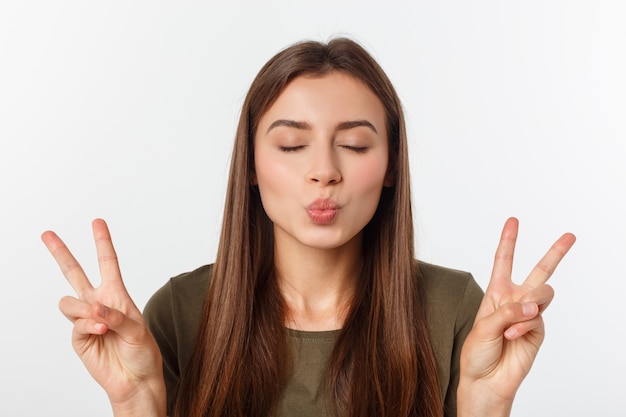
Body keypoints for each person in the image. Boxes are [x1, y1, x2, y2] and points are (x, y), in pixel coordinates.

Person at [41, 37, 576, 417]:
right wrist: (134, 403)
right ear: (250, 165)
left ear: (390, 166)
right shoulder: (180, 313)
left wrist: (489, 403)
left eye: (355, 144)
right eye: (292, 145)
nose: (324, 170)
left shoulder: (454, 307)